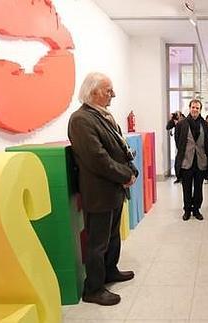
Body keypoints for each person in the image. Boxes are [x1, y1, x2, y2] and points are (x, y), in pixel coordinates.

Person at [68, 72, 137, 306]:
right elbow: (97, 158)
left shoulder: (102, 116)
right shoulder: (80, 120)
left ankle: (110, 271)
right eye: (108, 90)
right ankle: (94, 289)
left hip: (113, 189)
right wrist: (125, 175)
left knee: (112, 235)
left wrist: (129, 171)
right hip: (98, 192)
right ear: (93, 91)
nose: (113, 95)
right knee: (97, 242)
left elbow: (118, 148)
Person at [175, 99, 208, 221]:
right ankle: (187, 210)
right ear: (189, 108)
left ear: (200, 110)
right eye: (193, 107)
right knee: (186, 188)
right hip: (186, 161)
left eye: (197, 108)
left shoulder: (205, 125)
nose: (195, 110)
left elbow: (207, 144)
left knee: (198, 187)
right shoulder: (181, 124)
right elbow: (178, 142)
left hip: (200, 161)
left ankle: (196, 210)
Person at [167, 111, 185, 184]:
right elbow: (168, 127)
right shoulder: (176, 122)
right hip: (178, 146)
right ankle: (179, 177)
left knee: (183, 163)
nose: (178, 118)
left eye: (179, 116)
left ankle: (183, 178)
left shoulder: (185, 122)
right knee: (177, 163)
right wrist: (172, 120)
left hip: (184, 146)